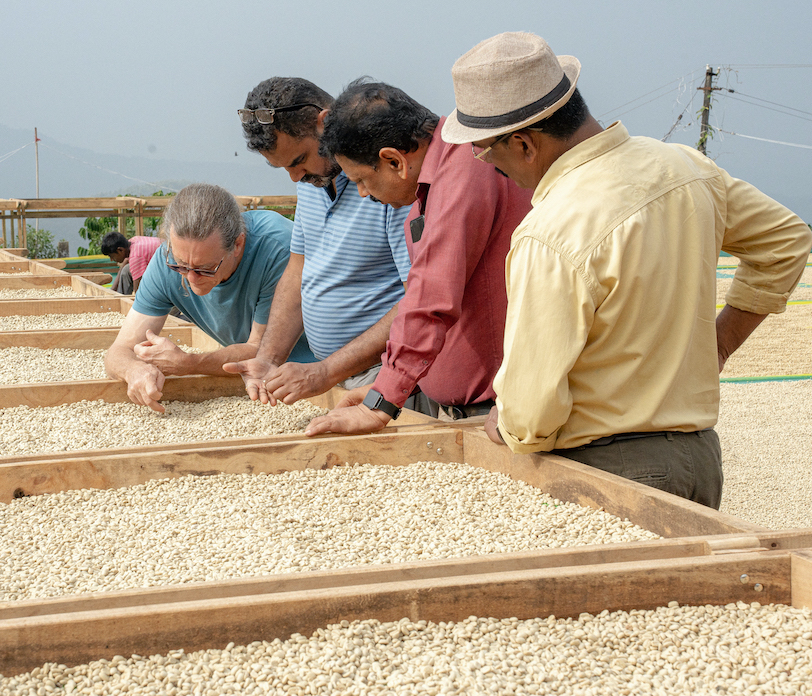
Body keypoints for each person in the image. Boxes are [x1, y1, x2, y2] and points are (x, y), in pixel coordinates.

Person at [441, 32, 811, 509]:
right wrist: (721, 341)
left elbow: (531, 416)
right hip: (698, 458)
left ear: (524, 145)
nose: (486, 162)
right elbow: (786, 241)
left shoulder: (550, 231)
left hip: (607, 471)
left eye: (486, 151)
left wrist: (509, 422)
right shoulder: (685, 166)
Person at [304, 78, 532, 437]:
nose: (362, 194)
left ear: (394, 161)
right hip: (458, 408)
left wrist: (382, 402)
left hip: (494, 415)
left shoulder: (463, 171)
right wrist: (393, 388)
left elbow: (431, 299)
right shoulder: (433, 186)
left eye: (362, 179)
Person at [225, 77, 411, 403]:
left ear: (324, 124)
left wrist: (326, 371)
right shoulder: (311, 182)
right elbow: (298, 271)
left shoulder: (387, 184)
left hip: (386, 377)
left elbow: (419, 298)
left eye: (298, 161)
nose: (295, 177)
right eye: (282, 168)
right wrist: (268, 359)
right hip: (335, 377)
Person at [104, 183, 314, 411]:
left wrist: (188, 364)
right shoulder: (165, 260)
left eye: (206, 269)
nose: (192, 278)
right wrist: (134, 370)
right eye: (181, 266)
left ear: (238, 244)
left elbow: (263, 352)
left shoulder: (277, 249)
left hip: (315, 376)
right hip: (257, 380)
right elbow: (118, 352)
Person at [101, 231, 160, 295]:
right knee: (125, 270)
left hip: (167, 272)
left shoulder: (136, 256)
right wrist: (112, 292)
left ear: (120, 250)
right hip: (163, 265)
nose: (111, 260)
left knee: (126, 271)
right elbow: (123, 266)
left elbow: (138, 291)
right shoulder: (133, 241)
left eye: (112, 256)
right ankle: (119, 298)